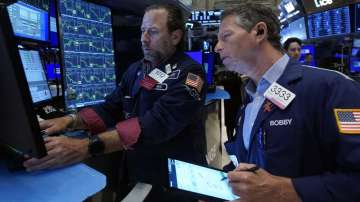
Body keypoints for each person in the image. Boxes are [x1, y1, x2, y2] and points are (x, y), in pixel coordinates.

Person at [24, 4, 207, 201]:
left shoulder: (191, 74)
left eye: (152, 32)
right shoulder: (138, 69)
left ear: (175, 37)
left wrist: (85, 147)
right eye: (142, 31)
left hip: (173, 180)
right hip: (137, 171)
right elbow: (112, 107)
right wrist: (69, 120)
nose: (144, 39)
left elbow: (156, 124)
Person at [215, 3, 360, 202]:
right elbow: (250, 164)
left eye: (226, 36)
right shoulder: (251, 95)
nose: (217, 47)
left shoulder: (332, 88)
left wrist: (288, 190)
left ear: (259, 32)